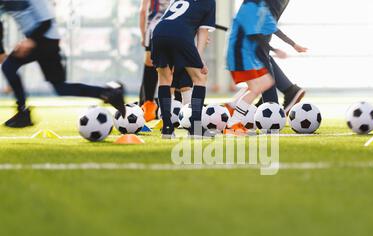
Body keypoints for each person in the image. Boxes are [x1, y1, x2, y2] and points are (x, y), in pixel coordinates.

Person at [0, 0, 125, 128]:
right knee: (61, 88)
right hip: (39, 41)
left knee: (9, 66)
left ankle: (23, 113)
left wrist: (31, 40)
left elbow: (47, 22)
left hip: (47, 41)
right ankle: (108, 93)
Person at [151, 0, 216, 138]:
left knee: (164, 79)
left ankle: (167, 128)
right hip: (180, 34)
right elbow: (202, 31)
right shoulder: (210, 2)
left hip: (158, 32)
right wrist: (199, 60)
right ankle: (196, 127)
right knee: (200, 77)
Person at [225, 0, 286, 134]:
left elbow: (271, 28)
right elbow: (254, 35)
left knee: (265, 82)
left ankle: (232, 108)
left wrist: (293, 45)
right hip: (240, 53)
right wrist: (275, 49)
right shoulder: (251, 7)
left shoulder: (259, 7)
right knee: (257, 86)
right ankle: (232, 124)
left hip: (244, 53)